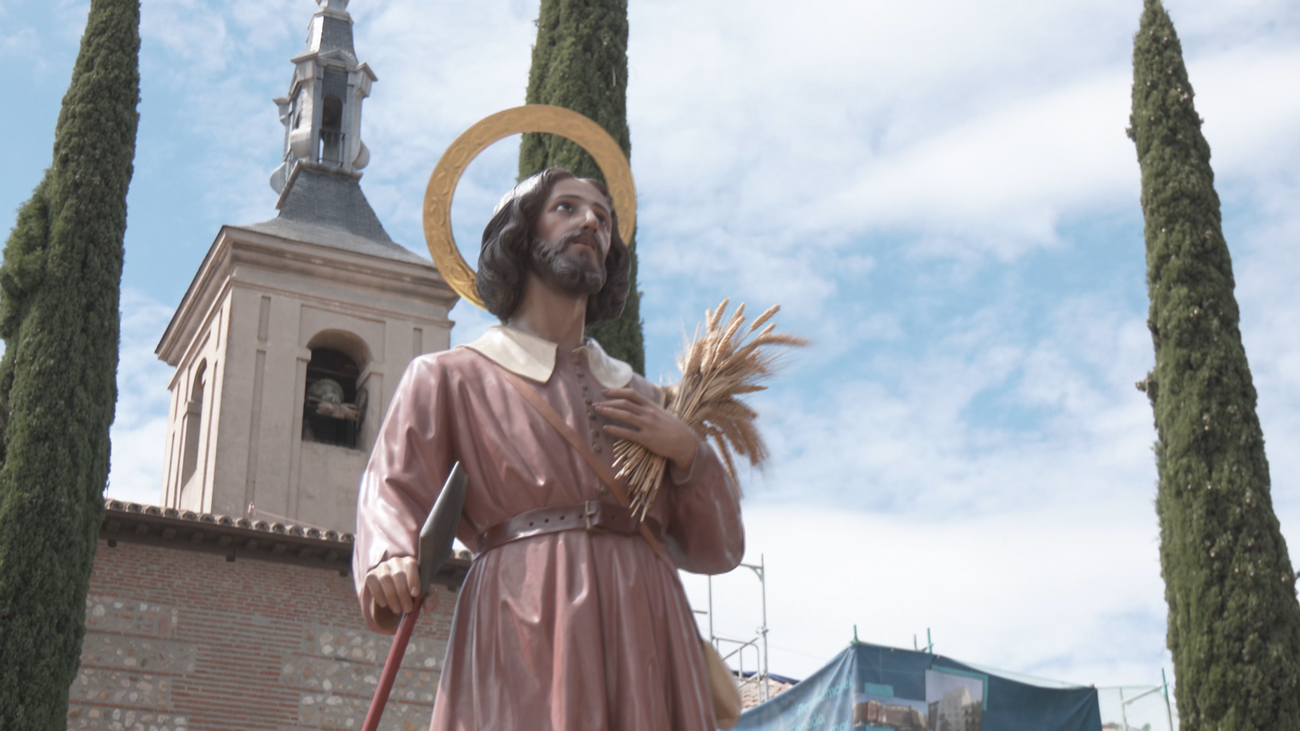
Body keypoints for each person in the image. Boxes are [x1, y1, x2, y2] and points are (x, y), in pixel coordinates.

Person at [353, 167, 745, 730]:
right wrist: (388, 556)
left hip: (644, 615)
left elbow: (719, 547)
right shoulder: (450, 377)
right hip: (526, 605)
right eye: (567, 208)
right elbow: (391, 485)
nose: (591, 222)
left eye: (604, 219)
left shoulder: (649, 398)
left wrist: (689, 455)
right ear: (520, 235)